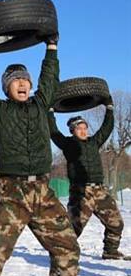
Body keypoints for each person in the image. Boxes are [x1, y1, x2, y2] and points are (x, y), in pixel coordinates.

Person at [0, 34, 90, 276]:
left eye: (25, 80)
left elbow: (50, 79)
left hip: (43, 191)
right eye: (15, 80)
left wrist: (51, 46)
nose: (22, 83)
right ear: (6, 88)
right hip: (11, 191)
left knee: (67, 244)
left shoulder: (40, 105)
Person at [49, 105, 129, 260]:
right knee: (73, 228)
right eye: (79, 128)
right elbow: (53, 132)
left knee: (116, 223)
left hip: (100, 190)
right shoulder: (68, 144)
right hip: (81, 192)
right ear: (73, 130)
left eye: (85, 127)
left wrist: (110, 109)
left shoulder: (94, 142)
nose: (83, 130)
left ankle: (110, 251)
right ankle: (61, 254)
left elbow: (106, 128)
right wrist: (50, 112)